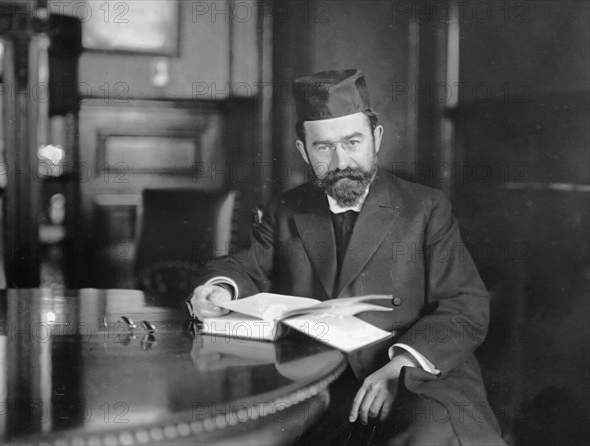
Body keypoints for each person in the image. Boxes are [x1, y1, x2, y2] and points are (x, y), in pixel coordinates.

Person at [188, 69, 506, 445]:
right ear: (303, 150)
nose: (341, 161)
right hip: (324, 380)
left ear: (377, 138)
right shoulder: (288, 208)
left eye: (353, 141)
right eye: (324, 147)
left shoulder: (424, 207)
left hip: (419, 375)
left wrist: (400, 364)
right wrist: (218, 289)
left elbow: (465, 305)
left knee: (430, 435)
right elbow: (243, 265)